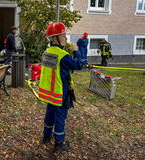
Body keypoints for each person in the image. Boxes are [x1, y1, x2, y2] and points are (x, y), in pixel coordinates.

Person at [39, 22, 85, 153]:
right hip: (60, 92)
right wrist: (76, 51)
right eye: (63, 35)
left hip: (49, 92)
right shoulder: (63, 56)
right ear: (54, 38)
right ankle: (59, 143)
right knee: (60, 117)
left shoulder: (47, 52)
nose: (65, 38)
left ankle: (46, 136)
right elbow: (79, 65)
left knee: (50, 114)